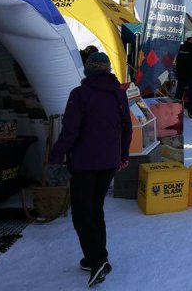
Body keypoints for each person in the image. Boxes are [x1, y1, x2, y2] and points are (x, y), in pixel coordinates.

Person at [48, 52, 132, 287]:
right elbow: (127, 128)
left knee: (82, 213)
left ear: (88, 71)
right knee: (96, 208)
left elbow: (70, 131)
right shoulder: (118, 94)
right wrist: (123, 155)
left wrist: (55, 157)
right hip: (108, 162)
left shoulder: (80, 95)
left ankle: (98, 259)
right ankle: (94, 257)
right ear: (107, 70)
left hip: (84, 163)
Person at [175, 32, 192, 118]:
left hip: (182, 75)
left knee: (179, 93)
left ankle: (175, 110)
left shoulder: (181, 48)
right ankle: (191, 112)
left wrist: (178, 72)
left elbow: (178, 61)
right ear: (191, 38)